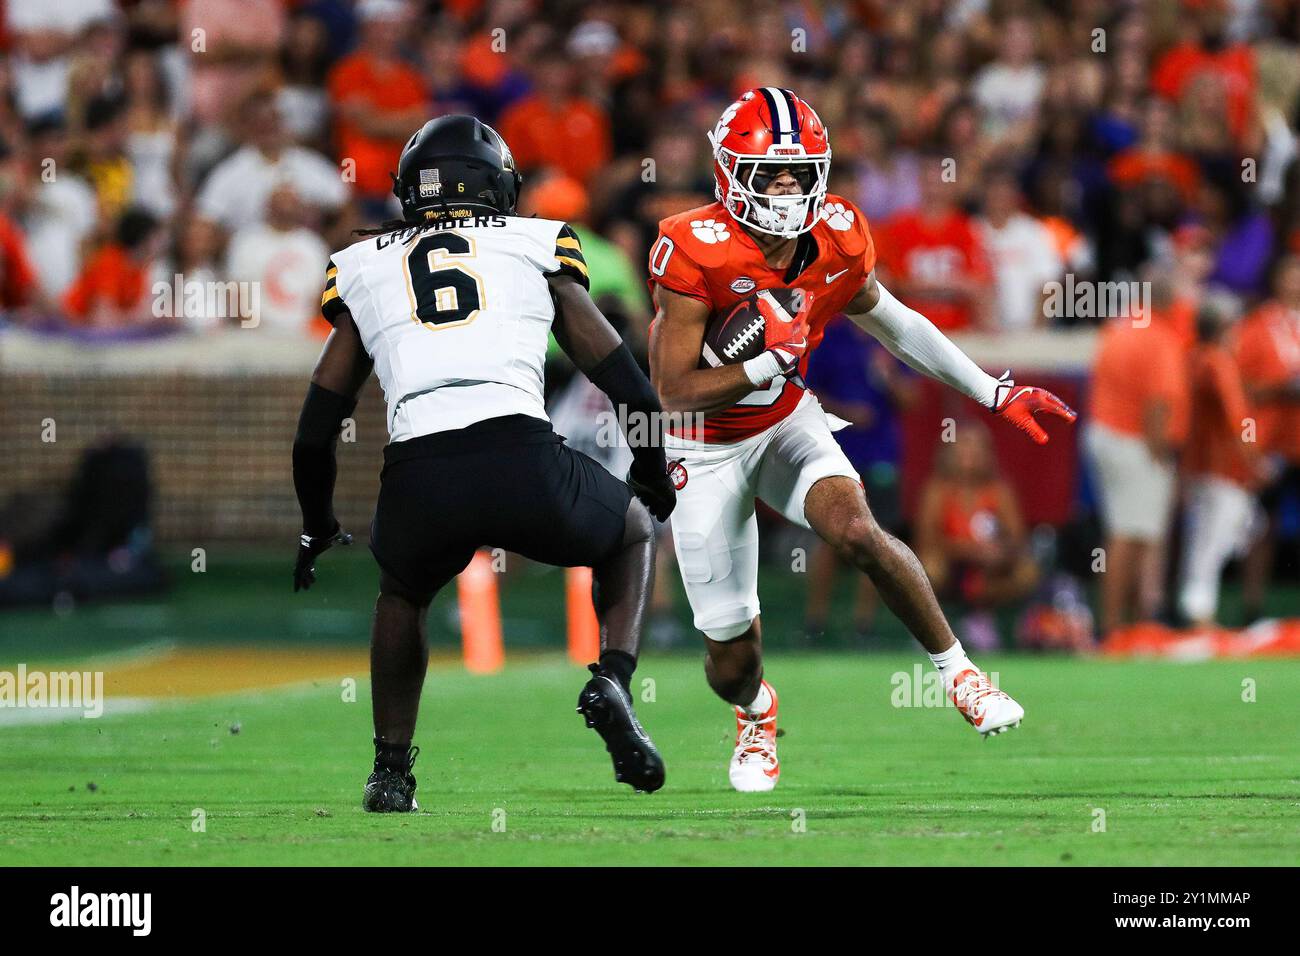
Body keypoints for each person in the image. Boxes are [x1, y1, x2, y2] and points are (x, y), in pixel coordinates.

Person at [648, 88, 1075, 793]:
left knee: (856, 530)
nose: (788, 189)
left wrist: (992, 391)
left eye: (799, 172)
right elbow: (673, 394)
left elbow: (895, 322)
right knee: (730, 661)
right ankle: (757, 712)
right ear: (729, 176)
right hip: (704, 446)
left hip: (784, 417)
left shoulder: (840, 234)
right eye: (770, 175)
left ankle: (962, 676)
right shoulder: (695, 247)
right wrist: (762, 359)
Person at [290, 115, 676, 811]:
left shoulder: (364, 262)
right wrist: (649, 472)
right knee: (632, 530)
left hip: (418, 468)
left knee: (403, 595)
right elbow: (628, 382)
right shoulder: (536, 244)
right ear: (500, 186)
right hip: (518, 450)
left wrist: (316, 522)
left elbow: (316, 428)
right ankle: (612, 677)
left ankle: (390, 773)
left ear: (408, 191)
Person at [1083, 274, 1191, 634]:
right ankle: (1113, 628)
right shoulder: (1159, 336)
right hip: (1136, 441)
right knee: (1130, 534)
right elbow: (1158, 403)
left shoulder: (1121, 325)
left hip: (1105, 433)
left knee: (1130, 530)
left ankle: (1130, 623)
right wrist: (1160, 452)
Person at [914, 423, 1038, 651]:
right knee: (930, 567)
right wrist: (969, 550)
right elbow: (927, 539)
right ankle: (930, 627)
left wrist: (999, 551)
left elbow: (1017, 538)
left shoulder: (1000, 490)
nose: (970, 455)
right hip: (950, 563)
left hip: (989, 569)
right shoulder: (937, 489)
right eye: (963, 448)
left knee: (1027, 571)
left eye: (977, 449)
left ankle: (981, 620)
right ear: (950, 454)